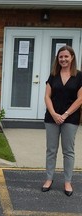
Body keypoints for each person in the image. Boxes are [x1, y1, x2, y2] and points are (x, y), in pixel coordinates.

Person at [42, 45, 82, 197]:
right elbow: (47, 96)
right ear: (57, 59)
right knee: (51, 150)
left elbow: (80, 99)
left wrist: (64, 115)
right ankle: (49, 179)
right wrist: (53, 114)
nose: (63, 59)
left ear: (72, 58)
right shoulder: (53, 75)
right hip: (52, 118)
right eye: (60, 57)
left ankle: (67, 181)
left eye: (66, 56)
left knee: (68, 151)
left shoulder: (79, 76)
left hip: (70, 119)